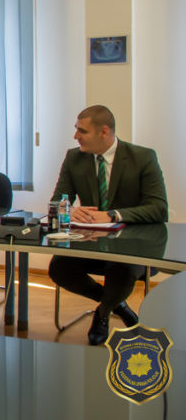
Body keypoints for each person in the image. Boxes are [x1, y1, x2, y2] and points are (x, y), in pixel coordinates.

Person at [47, 105, 168, 345]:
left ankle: (102, 314)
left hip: (133, 244)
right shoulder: (74, 158)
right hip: (91, 242)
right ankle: (118, 306)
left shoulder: (142, 157)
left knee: (120, 269)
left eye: (82, 131)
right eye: (76, 129)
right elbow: (57, 202)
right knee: (59, 268)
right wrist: (69, 210)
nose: (75, 136)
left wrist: (113, 215)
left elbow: (158, 208)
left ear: (104, 132)